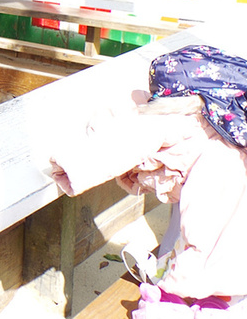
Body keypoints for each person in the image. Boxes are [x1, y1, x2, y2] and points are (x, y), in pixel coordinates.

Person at [50, 45, 247, 315]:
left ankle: (169, 303)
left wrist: (74, 168)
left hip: (205, 214)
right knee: (216, 260)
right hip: (232, 235)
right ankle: (211, 302)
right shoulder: (233, 129)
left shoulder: (177, 120)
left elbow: (127, 140)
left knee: (196, 256)